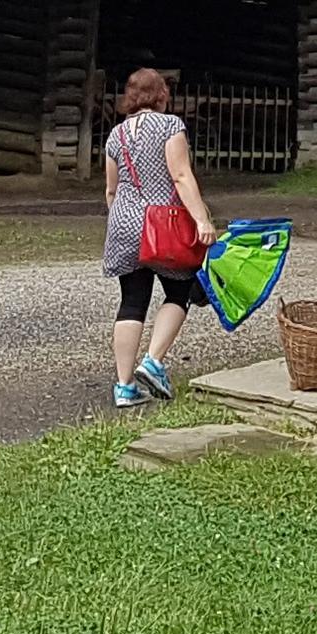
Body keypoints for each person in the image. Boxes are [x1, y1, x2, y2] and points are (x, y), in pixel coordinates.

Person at [101, 68, 215, 407]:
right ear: (162, 95)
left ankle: (124, 388)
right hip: (164, 225)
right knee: (181, 290)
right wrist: (201, 219)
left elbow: (111, 190)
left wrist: (124, 220)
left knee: (132, 301)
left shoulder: (116, 135)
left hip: (123, 224)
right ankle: (152, 362)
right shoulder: (170, 126)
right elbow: (180, 176)